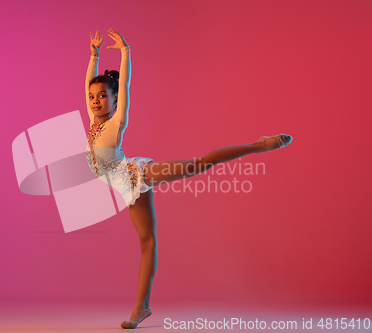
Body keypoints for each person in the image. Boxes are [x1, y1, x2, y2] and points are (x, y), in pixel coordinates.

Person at [85, 28, 292, 329]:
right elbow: (86, 84)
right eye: (93, 96)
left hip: (136, 173)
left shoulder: (117, 122)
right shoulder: (93, 122)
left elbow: (125, 83)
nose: (95, 100)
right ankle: (142, 308)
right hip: (127, 189)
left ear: (115, 102)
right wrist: (93, 55)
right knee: (147, 241)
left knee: (200, 165)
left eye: (103, 96)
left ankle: (260, 145)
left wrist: (125, 52)